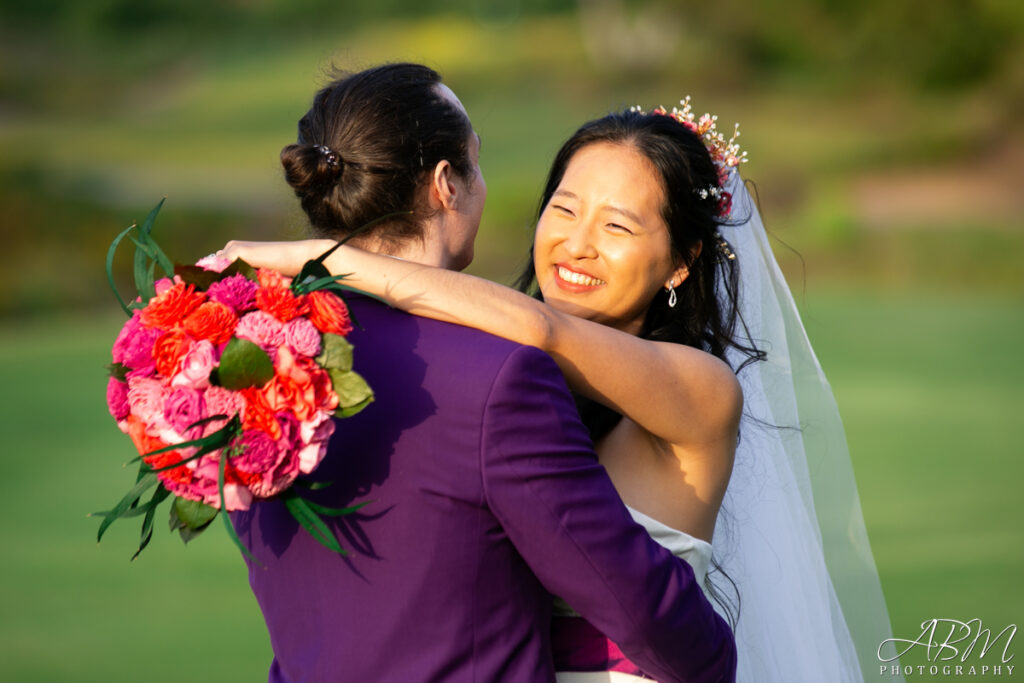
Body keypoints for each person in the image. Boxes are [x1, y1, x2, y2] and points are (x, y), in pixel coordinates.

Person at [225, 93, 899, 681]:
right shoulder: (503, 373)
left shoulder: (699, 388)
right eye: (564, 208)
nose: (577, 245)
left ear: (681, 262)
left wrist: (322, 258)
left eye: (617, 226)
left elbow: (542, 331)